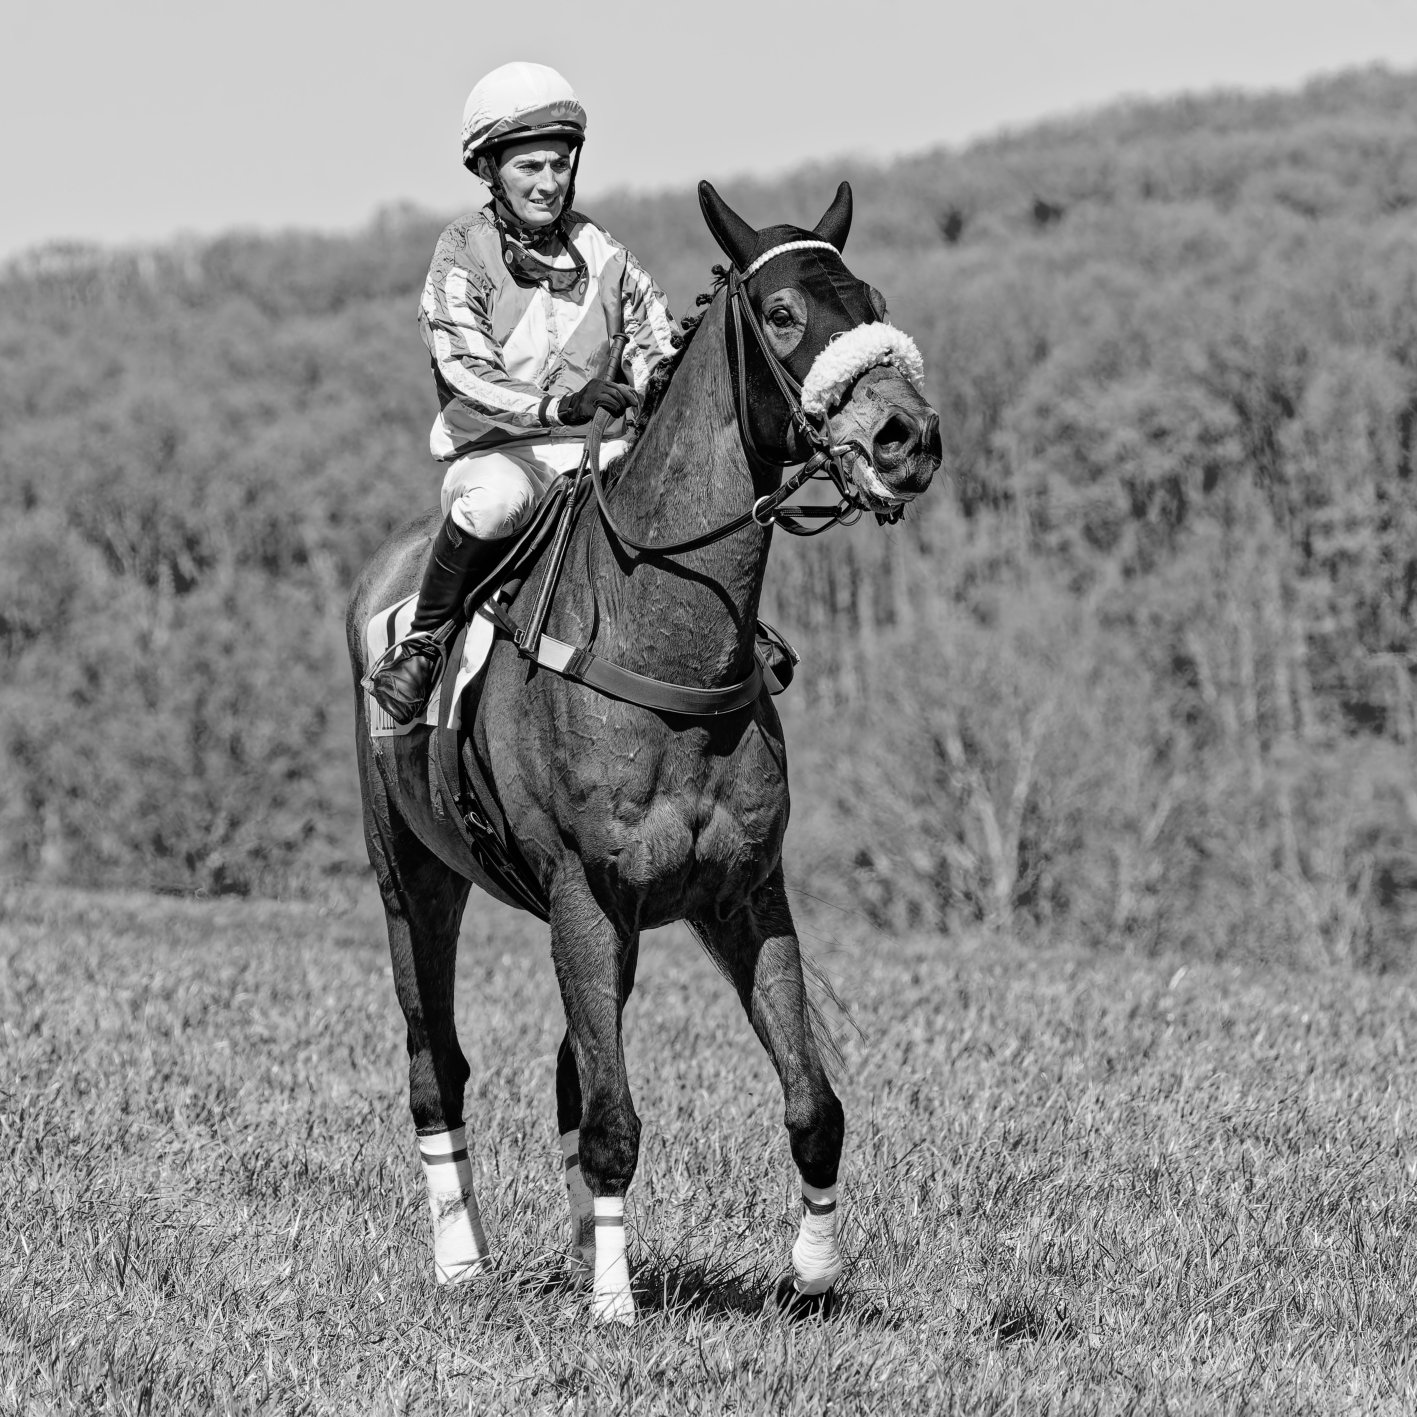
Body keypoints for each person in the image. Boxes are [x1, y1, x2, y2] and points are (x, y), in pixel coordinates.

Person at [368, 61, 680, 725]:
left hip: (598, 456)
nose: (547, 183)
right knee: (493, 505)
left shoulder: (604, 252)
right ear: (489, 170)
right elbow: (465, 371)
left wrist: (662, 391)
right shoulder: (462, 251)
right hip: (499, 456)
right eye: (528, 167)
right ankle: (423, 641)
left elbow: (658, 347)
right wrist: (557, 407)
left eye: (559, 165)